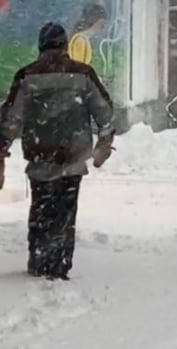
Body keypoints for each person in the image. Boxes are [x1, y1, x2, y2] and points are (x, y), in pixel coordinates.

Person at [0, 22, 115, 280]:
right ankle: (60, 263)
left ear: (41, 46)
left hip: (41, 157)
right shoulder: (83, 74)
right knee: (65, 212)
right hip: (74, 157)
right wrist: (105, 139)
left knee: (41, 209)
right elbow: (104, 111)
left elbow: (11, 118)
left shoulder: (27, 76)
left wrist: (2, 146)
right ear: (65, 45)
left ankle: (39, 261)